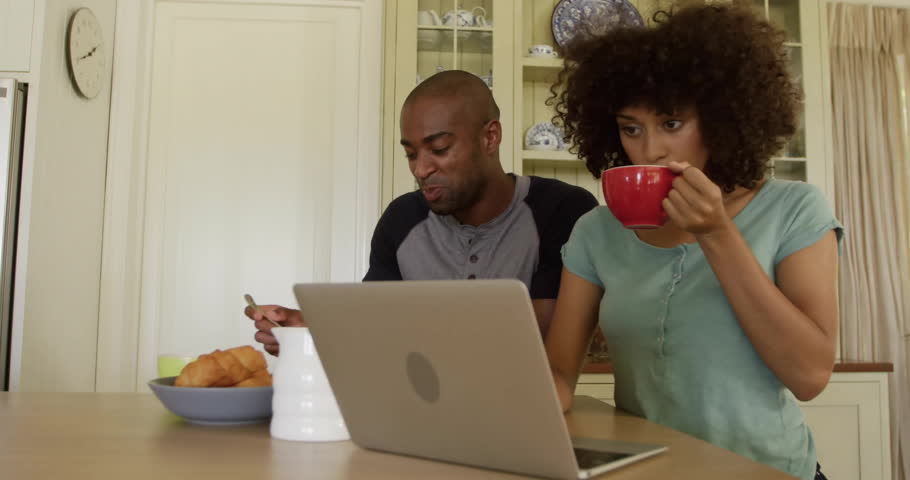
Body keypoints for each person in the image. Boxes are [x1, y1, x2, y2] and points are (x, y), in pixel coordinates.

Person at [544, 5, 841, 480]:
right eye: (630, 128)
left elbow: (810, 376)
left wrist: (716, 233)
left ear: (722, 120)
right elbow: (559, 376)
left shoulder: (795, 209)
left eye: (672, 124)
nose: (650, 150)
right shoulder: (596, 233)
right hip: (649, 473)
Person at [247, 70, 598, 355]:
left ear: (490, 138)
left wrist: (373, 329)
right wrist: (312, 332)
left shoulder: (563, 210)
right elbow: (374, 327)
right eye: (411, 154)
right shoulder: (401, 220)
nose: (421, 169)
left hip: (531, 421)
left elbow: (541, 334)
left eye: (439, 149)